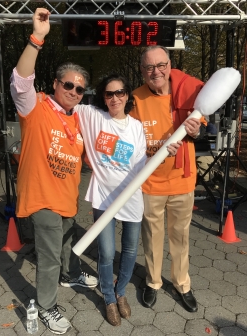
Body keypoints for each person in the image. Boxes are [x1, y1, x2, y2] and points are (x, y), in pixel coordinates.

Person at [10, 8, 98, 335]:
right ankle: (46, 307)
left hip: (67, 200)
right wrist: (37, 39)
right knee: (48, 258)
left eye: (80, 89)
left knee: (67, 244)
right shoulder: (36, 106)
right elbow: (20, 81)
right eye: (69, 85)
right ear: (55, 83)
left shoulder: (78, 119)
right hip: (42, 199)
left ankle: (69, 273)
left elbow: (100, 150)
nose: (74, 92)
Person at [75, 74, 182, 326]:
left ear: (127, 96)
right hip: (103, 197)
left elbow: (142, 164)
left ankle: (121, 291)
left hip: (132, 199)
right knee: (107, 251)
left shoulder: (135, 126)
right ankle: (109, 298)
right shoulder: (93, 116)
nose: (115, 98)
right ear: (103, 96)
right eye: (109, 94)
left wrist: (165, 152)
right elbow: (66, 103)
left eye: (120, 92)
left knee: (131, 250)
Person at [130, 45, 207, 313]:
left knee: (180, 237)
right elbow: (128, 139)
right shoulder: (135, 99)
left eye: (161, 65)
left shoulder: (187, 93)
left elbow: (201, 134)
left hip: (182, 180)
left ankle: (182, 284)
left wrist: (195, 133)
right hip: (151, 183)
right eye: (149, 67)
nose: (156, 71)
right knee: (152, 236)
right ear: (142, 71)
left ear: (169, 65)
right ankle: (152, 282)